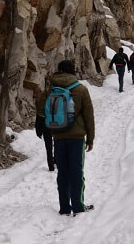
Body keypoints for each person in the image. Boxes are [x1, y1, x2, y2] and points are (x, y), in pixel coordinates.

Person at [39, 60, 95, 216]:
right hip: (77, 137)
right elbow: (89, 116)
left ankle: (64, 207)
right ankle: (78, 206)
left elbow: (41, 109)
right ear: (73, 71)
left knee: (63, 172)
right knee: (77, 172)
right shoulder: (81, 89)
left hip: (58, 136)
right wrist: (90, 139)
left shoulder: (51, 89)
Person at [35, 76, 55, 171]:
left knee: (48, 146)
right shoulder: (62, 93)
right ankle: (57, 161)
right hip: (58, 122)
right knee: (58, 142)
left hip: (45, 123)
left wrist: (38, 127)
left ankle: (51, 165)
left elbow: (39, 110)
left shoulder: (45, 94)